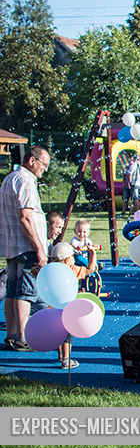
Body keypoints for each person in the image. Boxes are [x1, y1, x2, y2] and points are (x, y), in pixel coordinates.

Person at [1, 146, 50, 352]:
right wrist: (39, 247)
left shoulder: (10, 178)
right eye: (43, 165)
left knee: (12, 292)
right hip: (26, 246)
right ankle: (21, 337)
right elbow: (26, 217)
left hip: (13, 245)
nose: (44, 170)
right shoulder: (26, 181)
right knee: (25, 294)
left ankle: (12, 335)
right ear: (32, 160)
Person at [49, 242, 97, 369]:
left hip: (52, 308)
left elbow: (40, 278)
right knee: (67, 334)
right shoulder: (72, 270)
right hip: (67, 308)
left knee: (57, 332)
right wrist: (93, 254)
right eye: (72, 257)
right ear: (67, 260)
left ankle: (60, 354)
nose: (74, 259)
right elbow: (90, 270)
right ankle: (66, 360)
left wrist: (34, 272)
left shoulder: (49, 270)